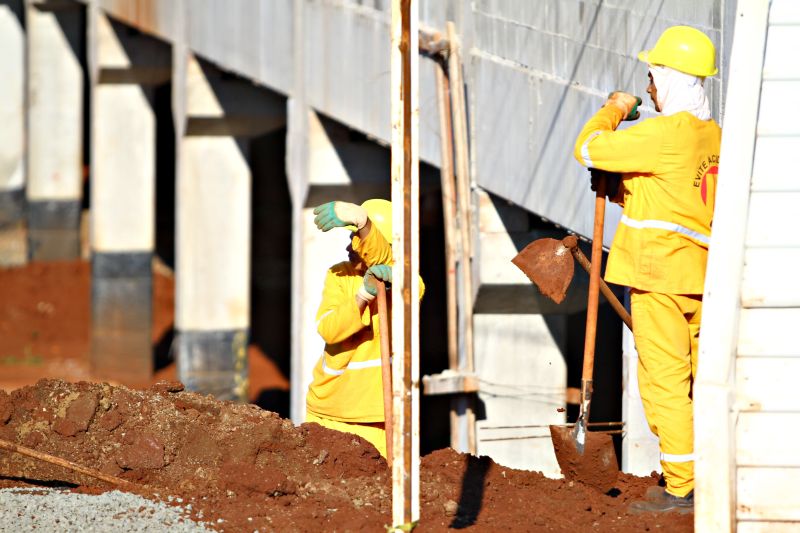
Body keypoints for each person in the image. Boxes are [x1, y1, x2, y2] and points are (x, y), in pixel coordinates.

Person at [573, 26, 721, 513]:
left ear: (667, 79)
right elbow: (670, 195)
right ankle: (708, 474)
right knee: (701, 383)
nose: (650, 89)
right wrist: (620, 188)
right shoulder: (713, 138)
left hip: (659, 277)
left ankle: (681, 487)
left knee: (665, 384)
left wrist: (615, 108)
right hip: (702, 278)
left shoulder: (660, 134)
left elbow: (589, 147)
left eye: (652, 79)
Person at [304, 199, 424, 458]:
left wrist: (365, 225)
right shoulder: (339, 275)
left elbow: (383, 260)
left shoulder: (408, 283)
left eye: (357, 239)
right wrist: (362, 296)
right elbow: (329, 329)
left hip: (378, 417)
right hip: (329, 409)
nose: (350, 246)